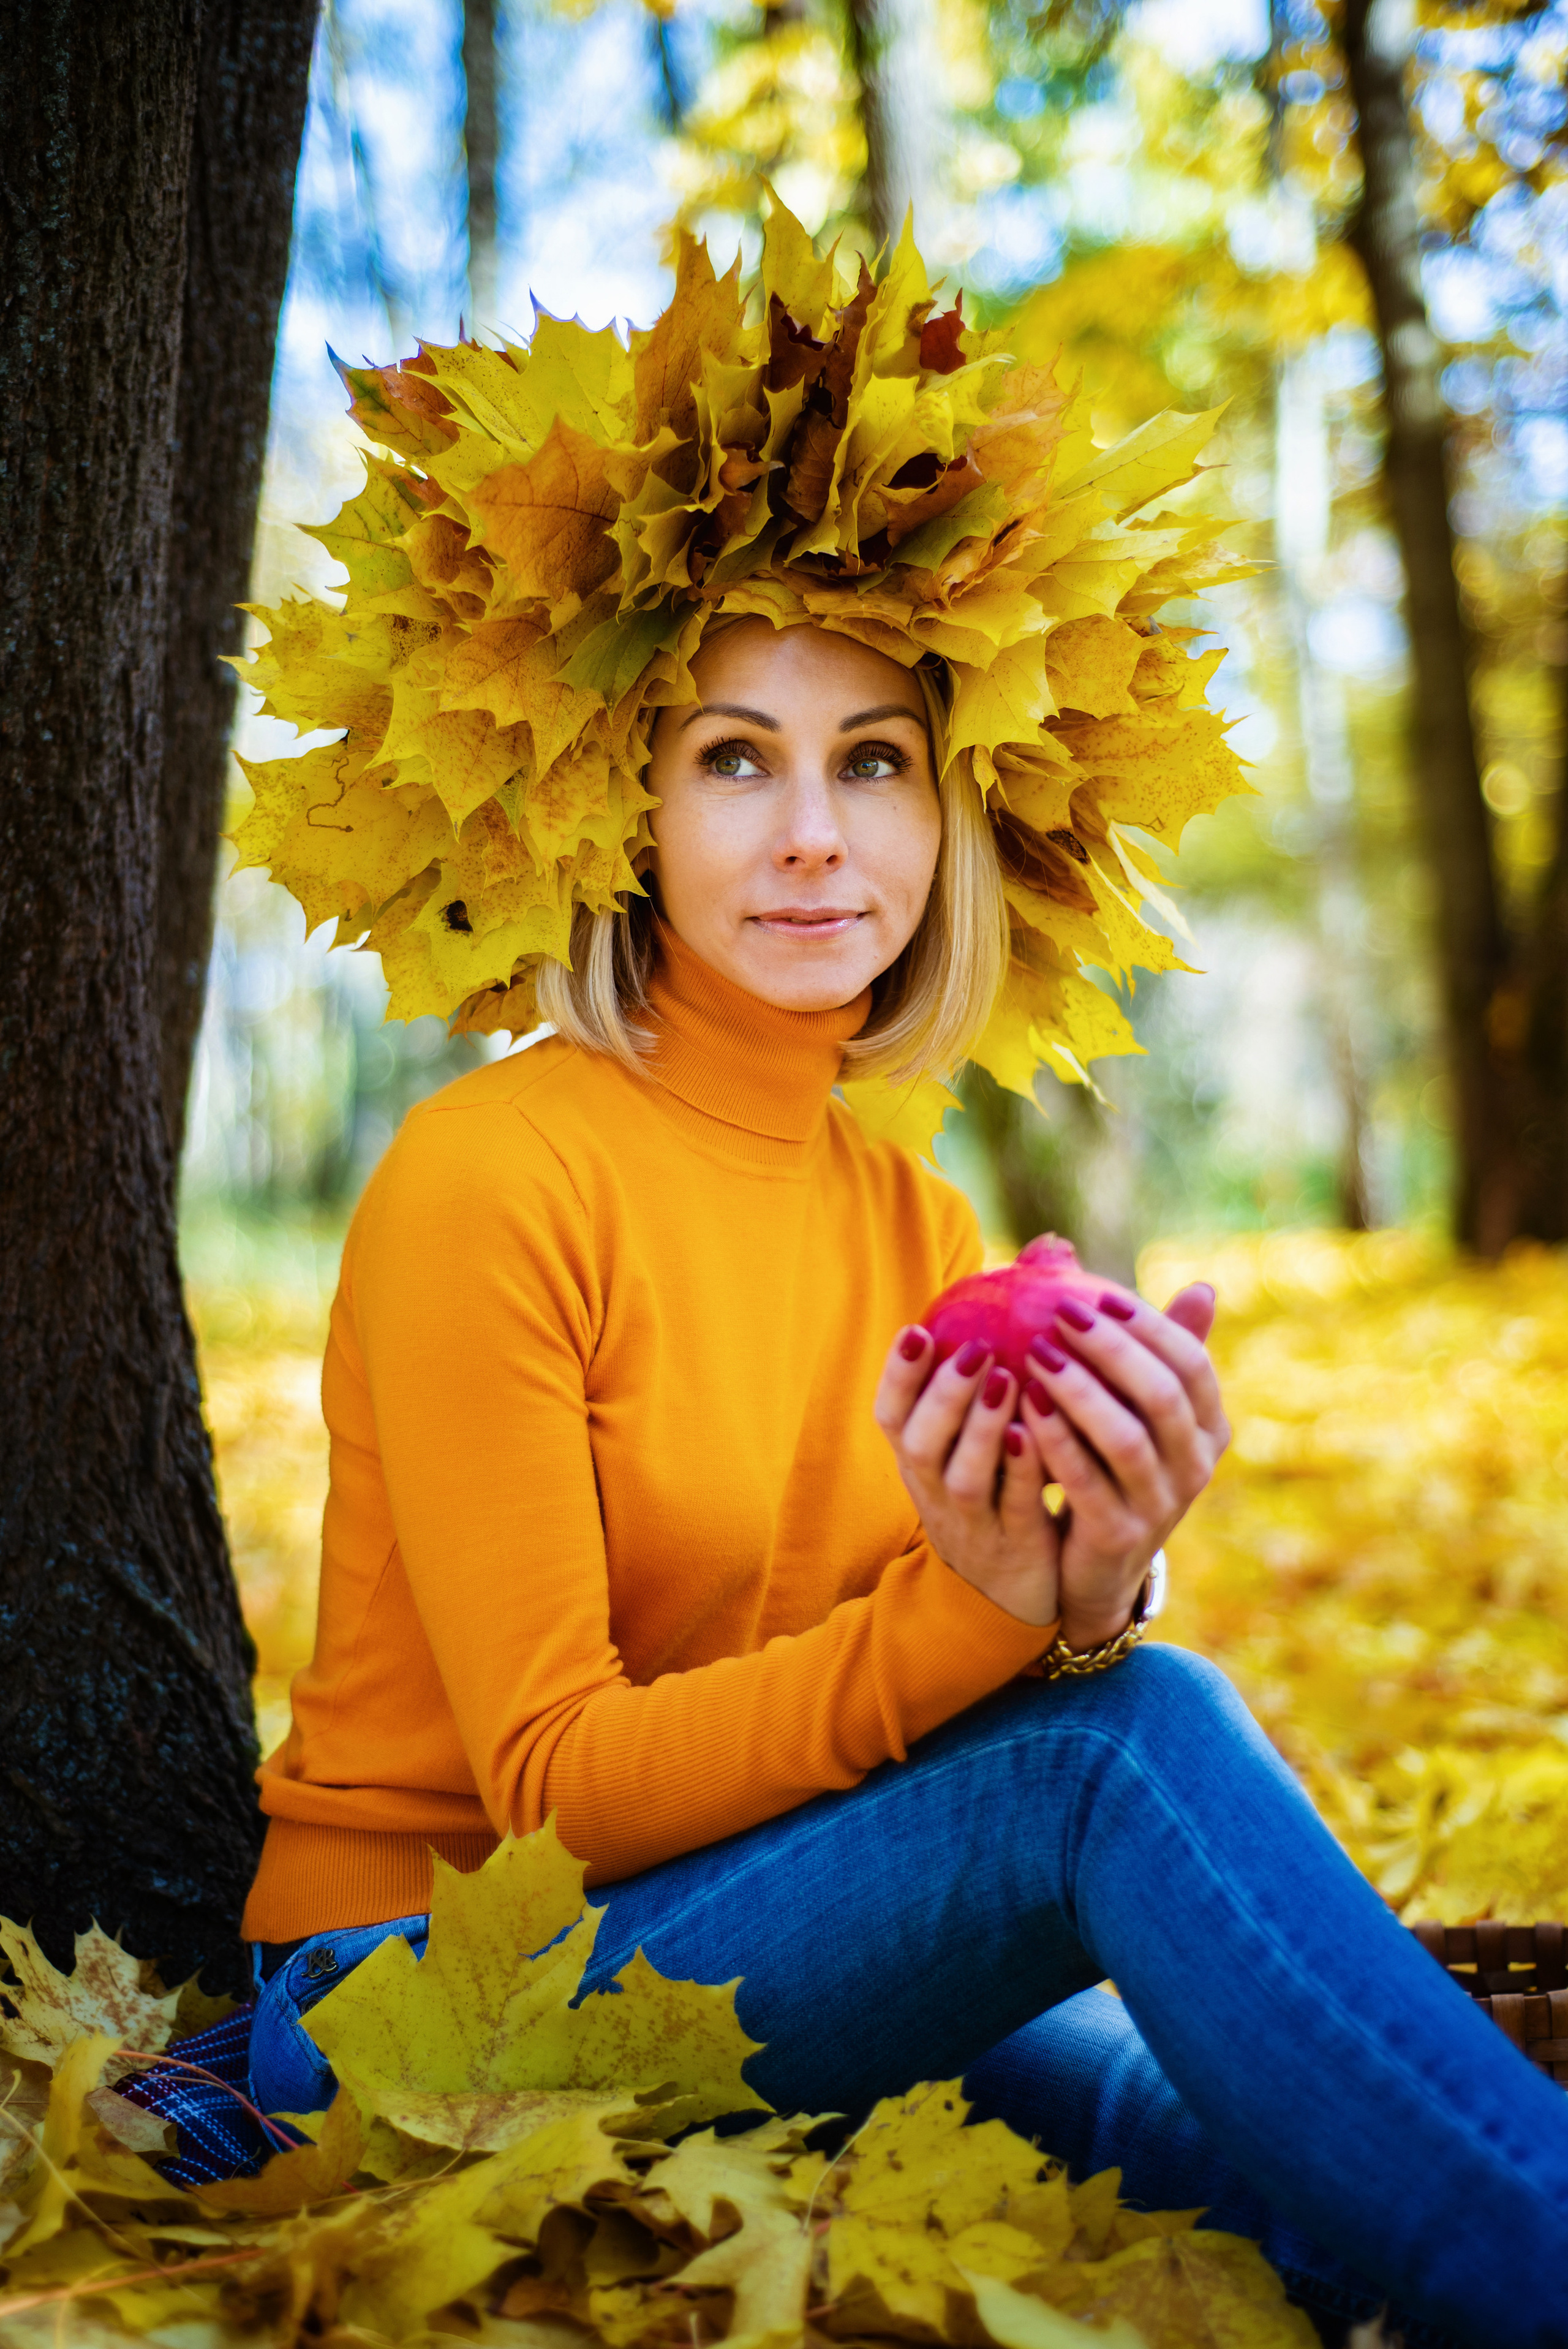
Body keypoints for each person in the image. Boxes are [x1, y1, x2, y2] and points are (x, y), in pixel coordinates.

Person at [230, 213, 1568, 2347]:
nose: (812, 837)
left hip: (733, 1943)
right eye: (734, 757)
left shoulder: (910, 1226)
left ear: (950, 817)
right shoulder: (491, 1170)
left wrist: (1096, 1574)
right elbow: (558, 1787)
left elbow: (932, 1669)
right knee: (1126, 1749)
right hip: (412, 2012)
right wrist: (1034, 1646)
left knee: (1241, 2146)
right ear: (627, 807)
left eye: (873, 760)